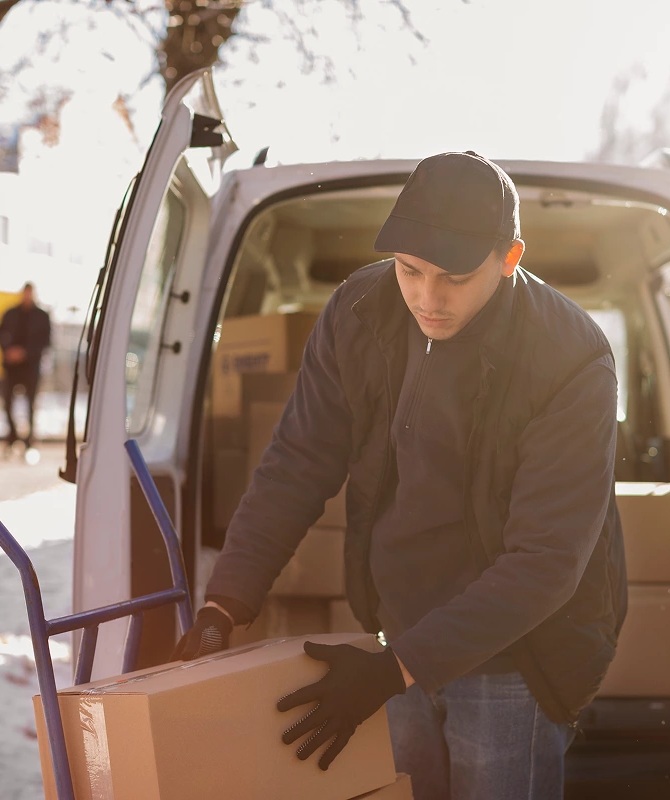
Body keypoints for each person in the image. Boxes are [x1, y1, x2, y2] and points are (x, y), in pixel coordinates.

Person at [173, 152, 627, 799]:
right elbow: (299, 461)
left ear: (510, 257)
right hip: (396, 628)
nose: (427, 297)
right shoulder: (361, 310)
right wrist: (226, 603)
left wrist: (392, 671)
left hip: (517, 653)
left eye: (454, 277)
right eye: (410, 270)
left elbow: (547, 561)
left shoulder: (569, 356)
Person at [0, 282, 51, 449]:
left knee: (31, 404)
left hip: (31, 366)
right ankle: (12, 435)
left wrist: (25, 353)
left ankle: (30, 438)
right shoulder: (11, 313)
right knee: (6, 401)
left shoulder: (42, 316)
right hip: (11, 367)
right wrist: (8, 351)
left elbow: (45, 341)